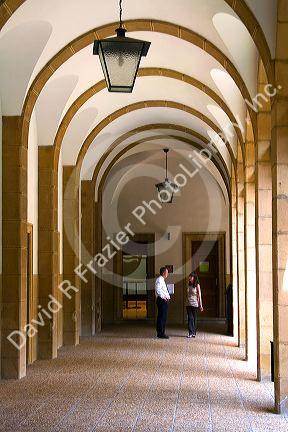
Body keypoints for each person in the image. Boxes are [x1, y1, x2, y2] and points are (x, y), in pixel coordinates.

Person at [186, 272, 203, 338]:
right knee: (190, 318)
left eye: (191, 277)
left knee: (194, 318)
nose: (189, 278)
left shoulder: (197, 285)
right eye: (189, 277)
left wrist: (201, 305)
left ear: (194, 277)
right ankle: (190, 333)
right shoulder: (188, 284)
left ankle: (194, 332)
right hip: (188, 303)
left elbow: (200, 295)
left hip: (195, 303)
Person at [155, 267, 170, 339]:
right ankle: (160, 333)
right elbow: (158, 289)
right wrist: (163, 297)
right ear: (164, 273)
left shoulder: (161, 280)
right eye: (167, 272)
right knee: (162, 317)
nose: (168, 274)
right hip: (162, 300)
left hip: (163, 300)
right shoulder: (159, 280)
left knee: (163, 317)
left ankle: (161, 332)